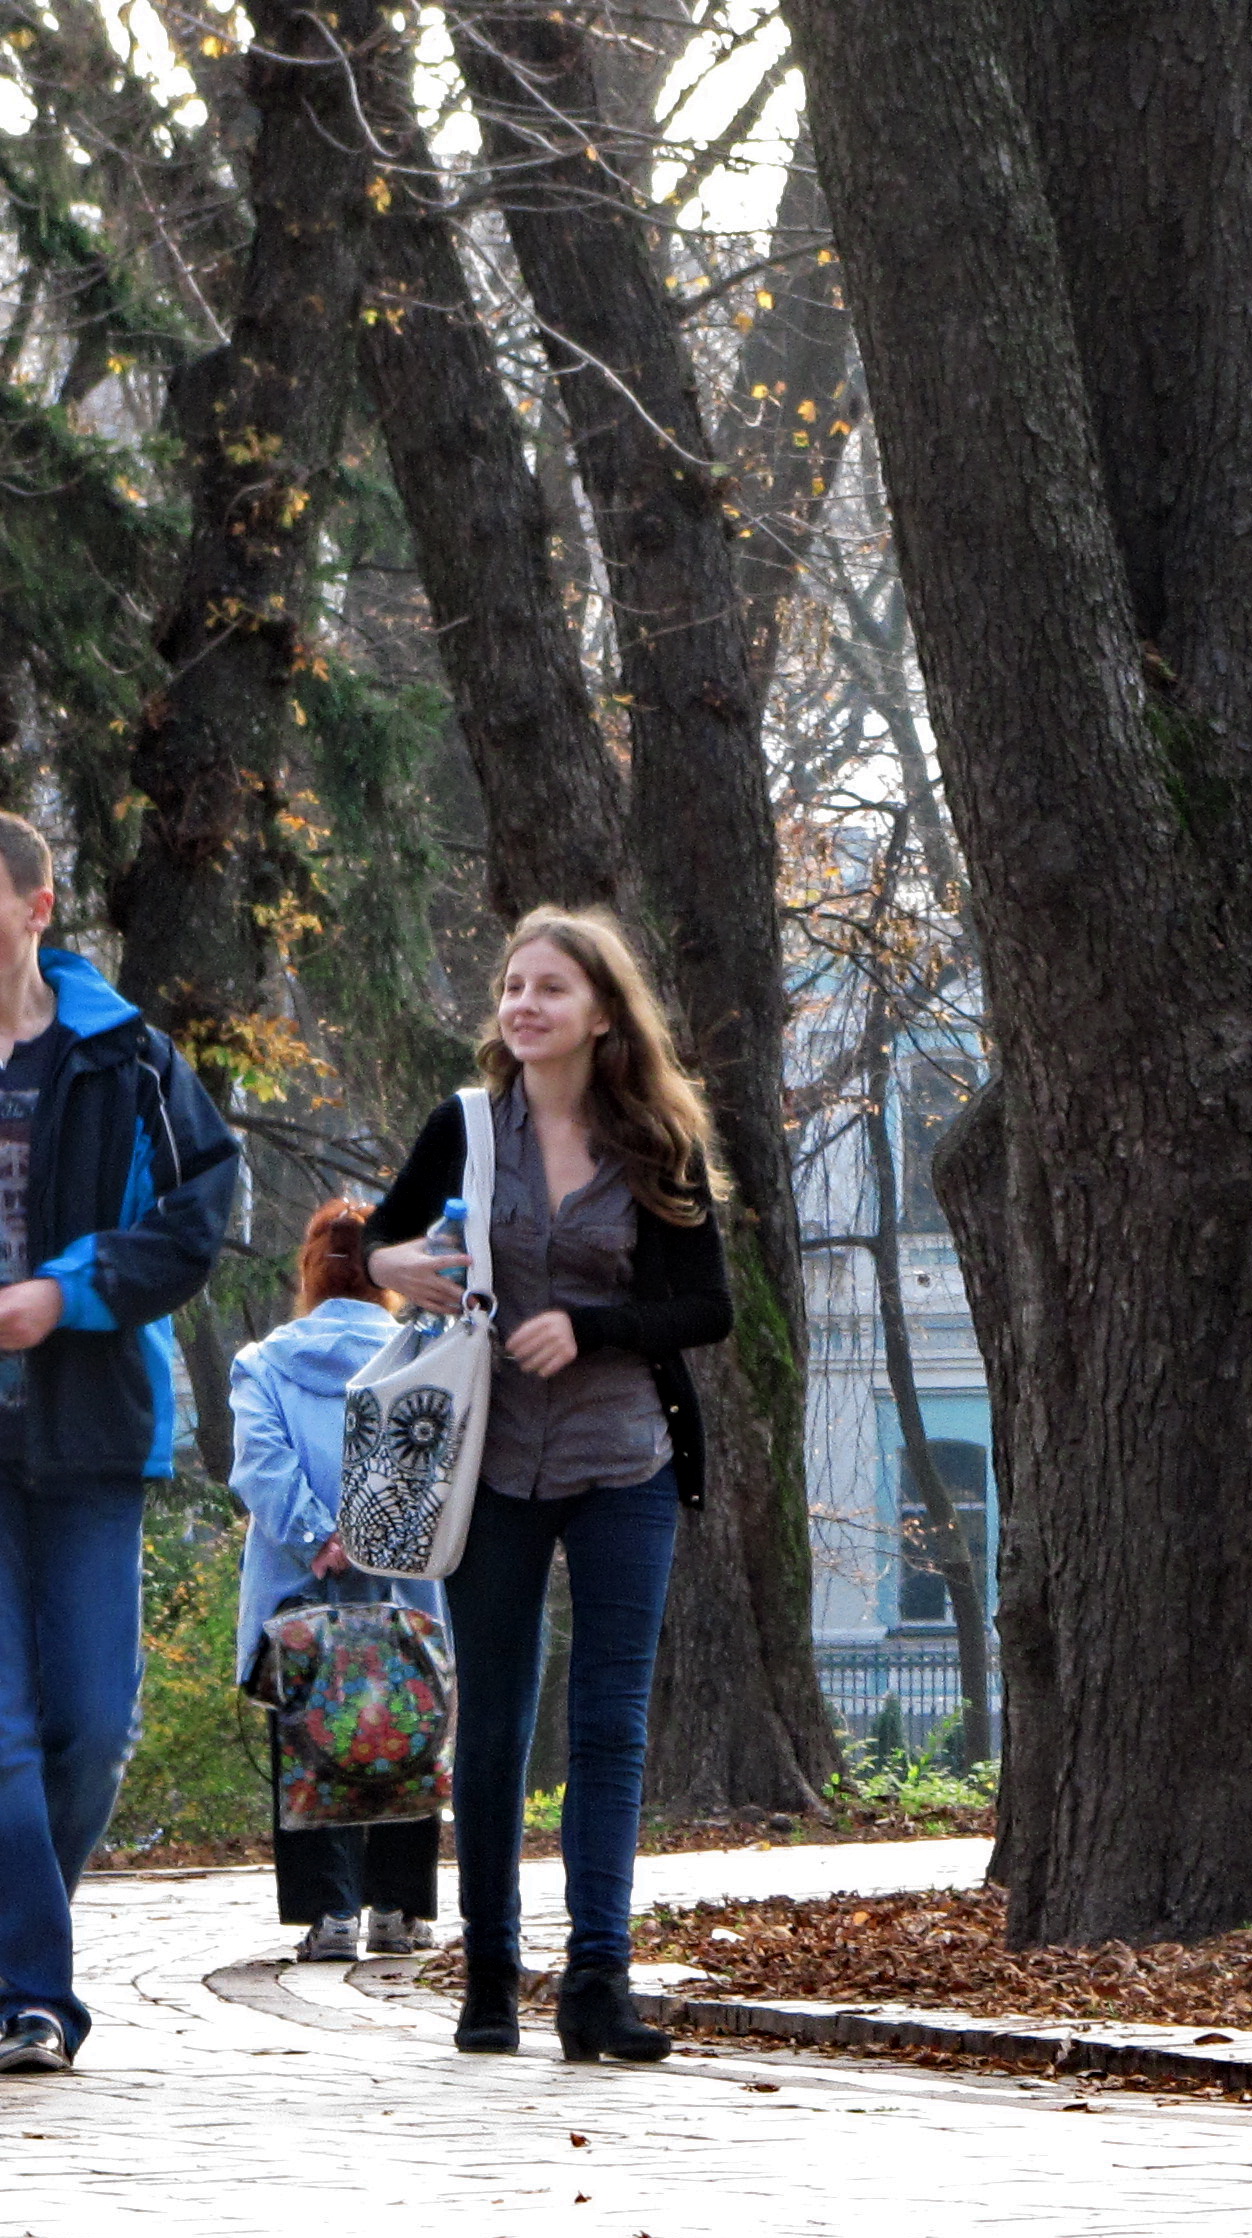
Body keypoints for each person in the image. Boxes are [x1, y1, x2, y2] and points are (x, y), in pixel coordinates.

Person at [368, 907, 727, 2064]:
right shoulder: (466, 1128)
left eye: (550, 990)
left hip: (624, 1459)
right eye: (513, 988)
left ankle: (597, 1984)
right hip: (490, 1468)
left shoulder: (656, 1141)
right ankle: (487, 1973)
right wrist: (392, 1265)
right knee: (499, 1720)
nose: (523, 1006)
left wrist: (591, 1327)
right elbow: (375, 1244)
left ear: (602, 1013)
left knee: (610, 1725)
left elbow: (703, 1306)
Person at [0, 809, 243, 2076]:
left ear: (38, 908)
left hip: (90, 1429)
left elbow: (203, 1210)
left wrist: (65, 1294)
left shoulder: (127, 1055)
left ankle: (19, 1936)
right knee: (0, 1735)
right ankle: (35, 1996)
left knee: (89, 1727)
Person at [229, 1200, 448, 1962]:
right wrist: (371, 1534)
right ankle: (397, 1908)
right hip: (399, 1585)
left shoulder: (264, 1362)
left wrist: (319, 1537)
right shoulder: (419, 1354)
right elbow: (427, 1456)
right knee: (406, 1725)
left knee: (308, 1736)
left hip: (299, 1592)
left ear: (309, 1273)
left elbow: (260, 1463)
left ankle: (328, 1917)